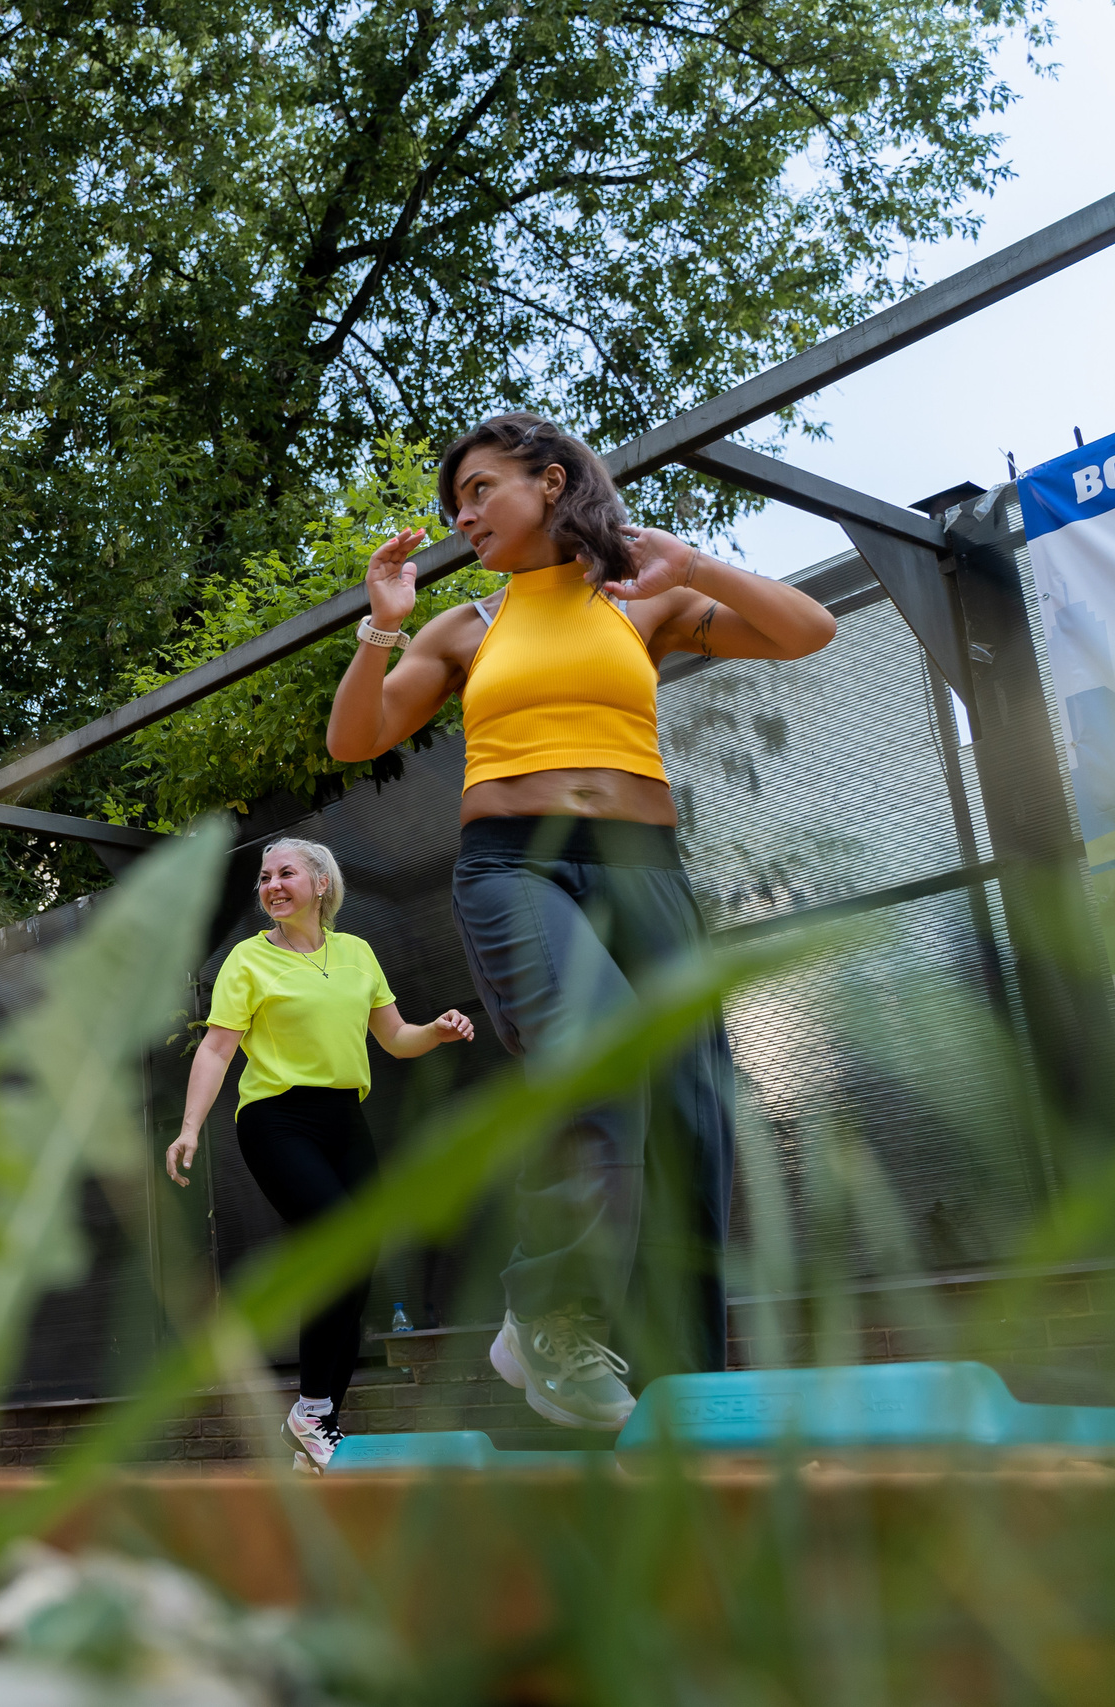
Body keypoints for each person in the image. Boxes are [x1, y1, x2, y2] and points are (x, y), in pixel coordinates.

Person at [325, 412, 836, 1430]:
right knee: (595, 1060)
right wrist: (382, 623)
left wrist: (696, 567)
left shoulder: (635, 600)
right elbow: (358, 737)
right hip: (518, 866)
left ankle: (686, 1386)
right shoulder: (465, 627)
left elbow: (806, 630)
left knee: (690, 1116)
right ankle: (550, 1309)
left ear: (551, 481)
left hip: (642, 869)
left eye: (479, 491)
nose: (460, 516)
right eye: (453, 503)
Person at [165, 840, 474, 1471]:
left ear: (321, 883)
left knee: (359, 1260)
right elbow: (218, 1050)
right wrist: (191, 1126)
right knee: (335, 1241)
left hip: (344, 1119)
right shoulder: (246, 961)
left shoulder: (357, 953)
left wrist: (436, 1033)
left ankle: (317, 1424)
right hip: (277, 1119)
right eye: (264, 877)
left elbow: (394, 1038)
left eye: (285, 873)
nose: (272, 885)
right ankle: (310, 1414)